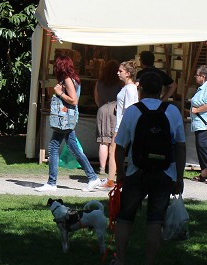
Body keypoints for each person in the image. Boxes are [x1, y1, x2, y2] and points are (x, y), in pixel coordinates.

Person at [107, 70, 186, 265]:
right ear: (161, 91)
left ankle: (120, 260)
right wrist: (179, 175)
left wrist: (120, 173)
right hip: (165, 173)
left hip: (136, 171)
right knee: (155, 220)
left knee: (125, 217)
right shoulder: (172, 111)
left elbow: (121, 145)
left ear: (140, 89)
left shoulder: (133, 111)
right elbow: (180, 146)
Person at [34, 54, 103, 193]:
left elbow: (73, 100)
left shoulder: (67, 79)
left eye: (55, 65)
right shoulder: (72, 78)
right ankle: (92, 177)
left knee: (54, 146)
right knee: (73, 147)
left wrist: (59, 93)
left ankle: (52, 182)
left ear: (60, 66)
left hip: (65, 119)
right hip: (67, 119)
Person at [94, 59, 121, 188]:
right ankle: (112, 167)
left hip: (102, 109)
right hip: (115, 110)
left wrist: (101, 106)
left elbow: (96, 98)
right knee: (113, 142)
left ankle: (102, 167)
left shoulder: (99, 82)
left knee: (103, 141)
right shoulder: (120, 84)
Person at [114, 60, 139, 138]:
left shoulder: (130, 88)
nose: (118, 73)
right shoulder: (127, 87)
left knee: (113, 150)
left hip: (122, 128)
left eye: (120, 71)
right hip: (120, 127)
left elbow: (129, 110)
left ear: (128, 74)